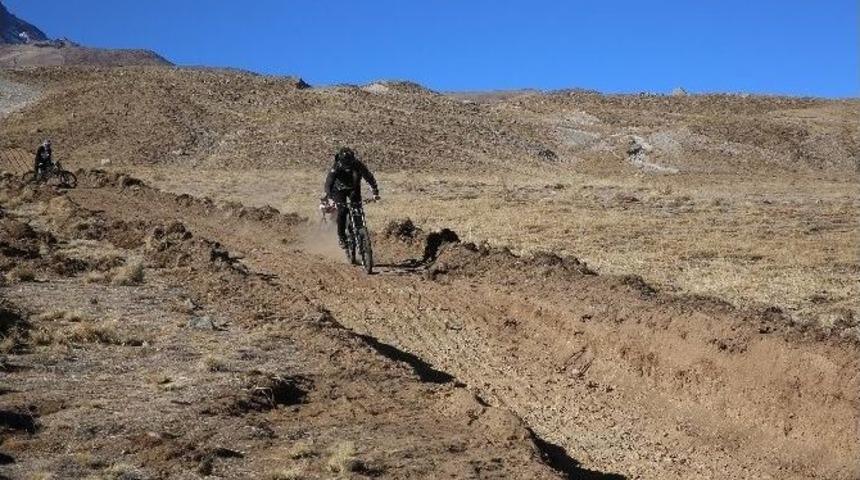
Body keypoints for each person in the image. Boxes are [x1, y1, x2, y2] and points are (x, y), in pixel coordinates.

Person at [324, 147, 380, 250]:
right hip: (338, 190)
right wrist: (330, 197)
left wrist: (375, 191)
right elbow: (328, 183)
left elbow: (369, 177)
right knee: (342, 211)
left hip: (353, 189)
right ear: (341, 161)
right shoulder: (336, 167)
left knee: (357, 208)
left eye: (350, 162)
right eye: (345, 163)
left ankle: (360, 230)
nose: (348, 165)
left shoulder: (358, 164)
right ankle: (342, 237)